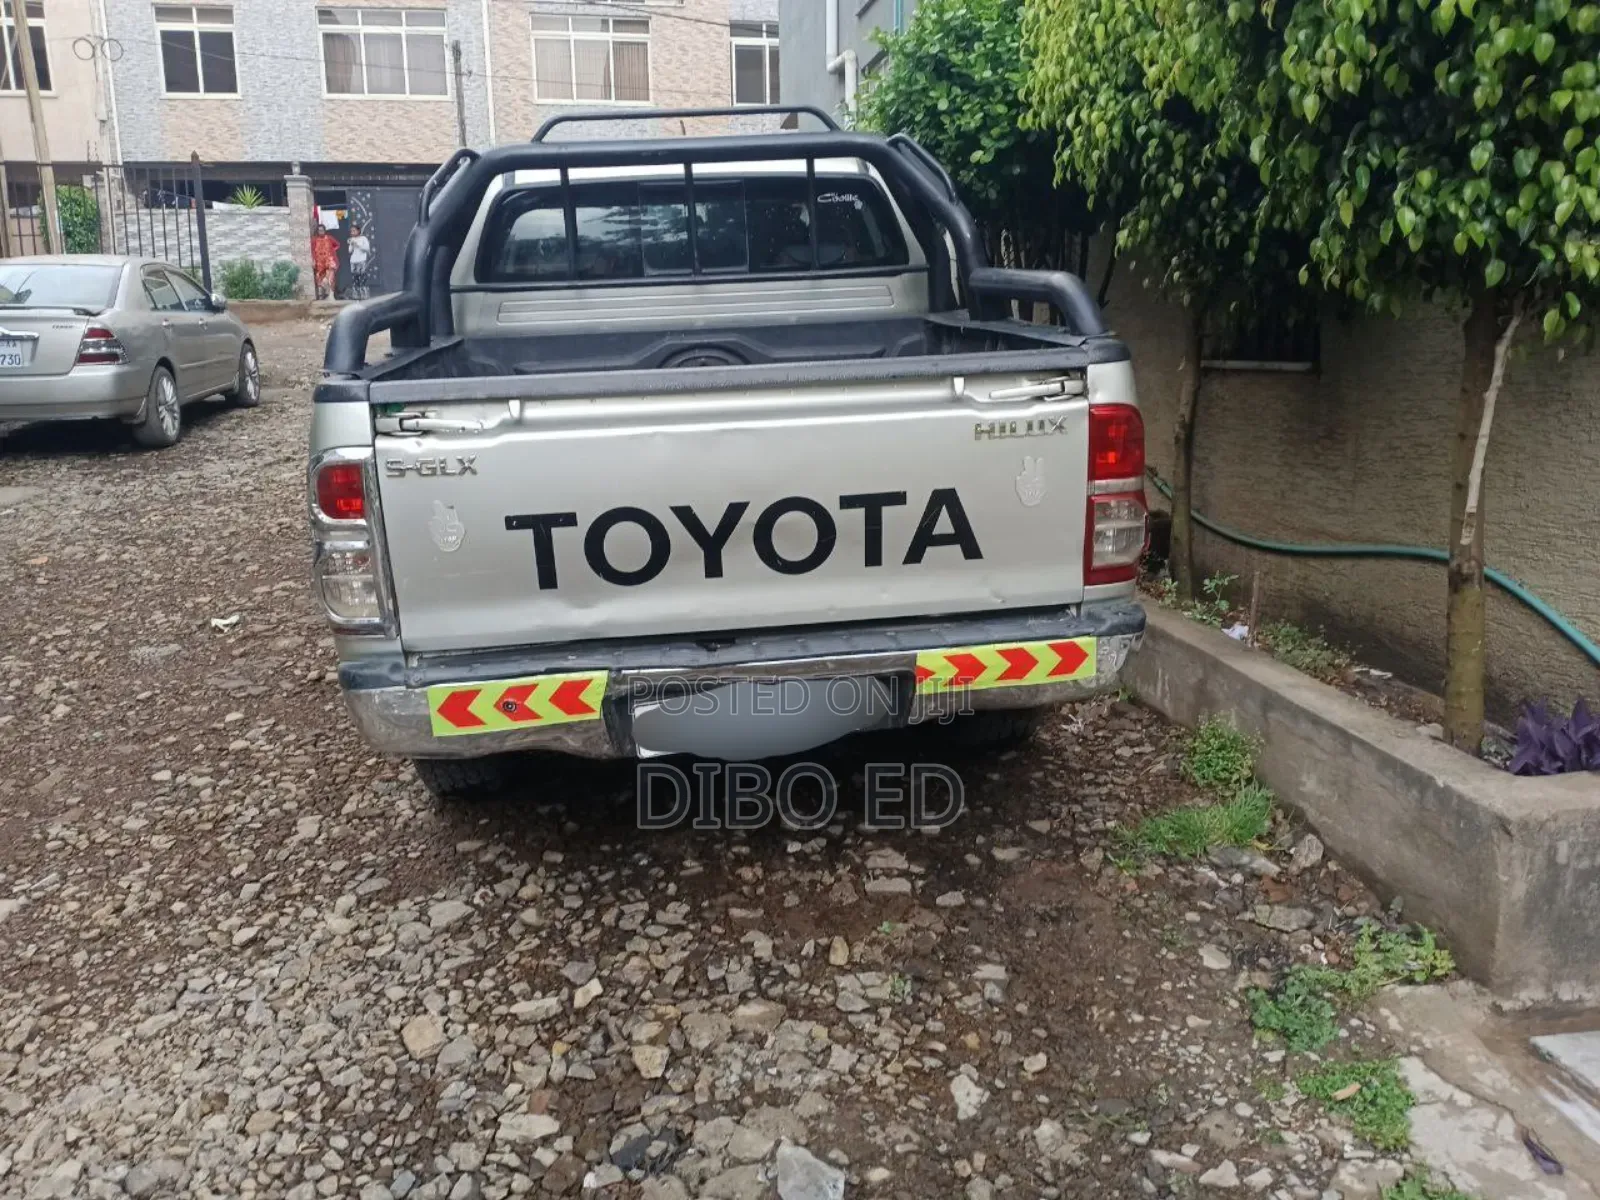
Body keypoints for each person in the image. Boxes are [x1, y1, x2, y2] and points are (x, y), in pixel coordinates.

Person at [311, 225, 339, 300]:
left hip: (329, 261)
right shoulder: (315, 240)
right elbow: (313, 251)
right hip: (320, 263)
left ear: (325, 230)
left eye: (322, 230)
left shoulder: (329, 238)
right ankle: (324, 295)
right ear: (317, 231)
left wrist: (332, 252)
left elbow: (337, 245)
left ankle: (331, 296)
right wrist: (314, 260)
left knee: (330, 278)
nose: (321, 232)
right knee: (320, 280)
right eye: (319, 230)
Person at [347, 223, 372, 298]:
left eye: (354, 231)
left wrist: (358, 244)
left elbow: (367, 248)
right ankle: (356, 294)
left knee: (362, 276)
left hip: (361, 260)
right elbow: (350, 251)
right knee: (355, 277)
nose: (352, 232)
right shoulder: (352, 239)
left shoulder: (363, 238)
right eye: (351, 231)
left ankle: (364, 293)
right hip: (353, 260)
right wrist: (351, 244)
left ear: (358, 231)